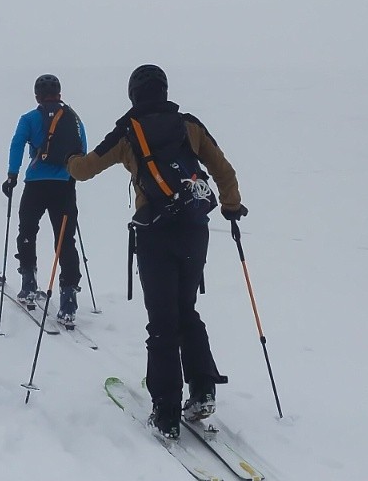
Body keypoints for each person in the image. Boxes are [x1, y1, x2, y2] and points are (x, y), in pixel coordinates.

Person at [66, 64, 247, 440]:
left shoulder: (127, 131)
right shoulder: (189, 125)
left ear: (133, 94)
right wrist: (231, 206)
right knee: (186, 310)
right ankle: (203, 389)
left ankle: (165, 412)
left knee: (162, 321)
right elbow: (223, 170)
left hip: (155, 233)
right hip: (194, 230)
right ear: (164, 90)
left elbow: (84, 170)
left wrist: (69, 159)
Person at [0, 74, 87, 324]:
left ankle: (28, 285)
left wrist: (12, 176)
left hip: (35, 185)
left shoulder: (29, 119)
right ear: (59, 93)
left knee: (27, 231)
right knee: (65, 240)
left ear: (37, 96)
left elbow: (17, 144)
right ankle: (68, 301)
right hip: (64, 186)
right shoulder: (74, 119)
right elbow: (83, 149)